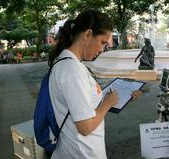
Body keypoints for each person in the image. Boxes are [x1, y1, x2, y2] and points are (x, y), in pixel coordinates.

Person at [48, 9, 141, 159]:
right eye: (102, 42)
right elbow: (85, 127)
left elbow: (83, 102)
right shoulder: (72, 70)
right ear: (87, 35)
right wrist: (107, 104)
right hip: (82, 153)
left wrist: (121, 96)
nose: (102, 49)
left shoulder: (69, 62)